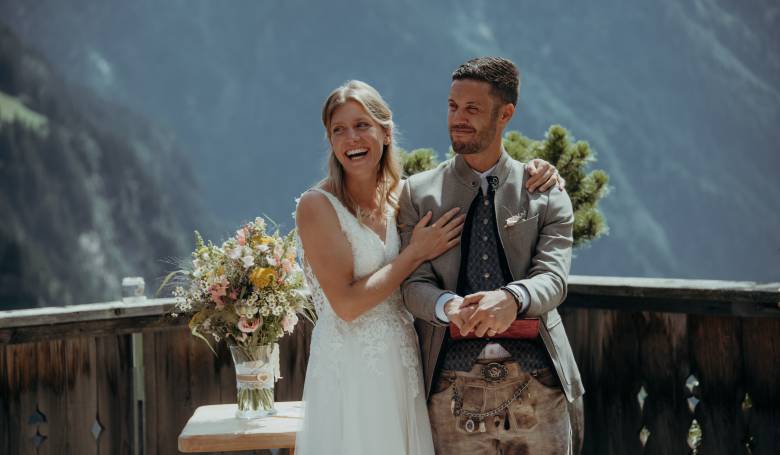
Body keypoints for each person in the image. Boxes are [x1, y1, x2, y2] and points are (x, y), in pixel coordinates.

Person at [295, 79, 563, 454]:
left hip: (406, 359)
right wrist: (415, 253)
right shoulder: (317, 205)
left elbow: (470, 179)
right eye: (338, 130)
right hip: (352, 363)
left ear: (385, 133)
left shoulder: (403, 195)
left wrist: (540, 170)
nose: (350, 139)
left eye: (361, 125)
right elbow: (347, 305)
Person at [399, 57, 584, 455]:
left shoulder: (546, 190)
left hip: (540, 384)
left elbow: (554, 279)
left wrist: (512, 299)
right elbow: (412, 284)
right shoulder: (416, 193)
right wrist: (447, 306)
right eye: (452, 106)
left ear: (506, 114)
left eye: (472, 109)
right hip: (450, 386)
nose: (457, 118)